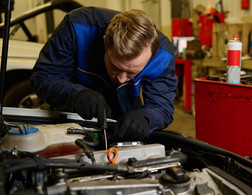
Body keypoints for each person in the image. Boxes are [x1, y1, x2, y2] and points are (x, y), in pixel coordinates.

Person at [31, 7, 178, 141]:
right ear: (105, 43)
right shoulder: (77, 28)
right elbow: (43, 76)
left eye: (131, 72)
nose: (121, 79)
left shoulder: (163, 56)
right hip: (72, 114)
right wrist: (75, 95)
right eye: (116, 67)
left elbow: (162, 105)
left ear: (151, 56)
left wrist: (146, 118)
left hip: (124, 116)